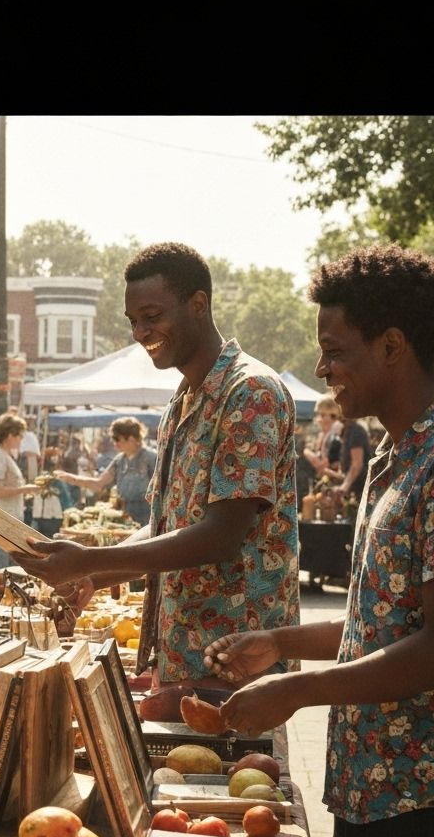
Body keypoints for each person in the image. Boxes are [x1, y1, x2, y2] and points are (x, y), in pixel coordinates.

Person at [206, 243, 434, 837]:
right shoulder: (399, 458)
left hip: (424, 799)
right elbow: (384, 625)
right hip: (369, 785)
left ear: (392, 346)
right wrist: (281, 643)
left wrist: (296, 690)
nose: (322, 366)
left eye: (335, 351)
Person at [15, 242, 299, 717]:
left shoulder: (249, 391)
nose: (141, 332)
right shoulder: (182, 399)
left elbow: (221, 535)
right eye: (133, 320)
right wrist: (94, 573)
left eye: (151, 315)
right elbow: (167, 524)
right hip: (184, 657)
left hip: (232, 662)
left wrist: (93, 559)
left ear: (199, 305)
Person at [54, 416, 157, 527]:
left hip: (148, 520)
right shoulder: (119, 460)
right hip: (127, 520)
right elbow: (99, 484)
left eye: (117, 438)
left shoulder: (152, 459)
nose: (114, 443)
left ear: (131, 438)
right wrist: (70, 478)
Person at [0, 412, 39, 569]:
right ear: (9, 435)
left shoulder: (4, 455)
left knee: (10, 566)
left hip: (9, 520)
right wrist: (24, 489)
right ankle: (1, 594)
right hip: (2, 521)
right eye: (19, 435)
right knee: (3, 567)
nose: (21, 439)